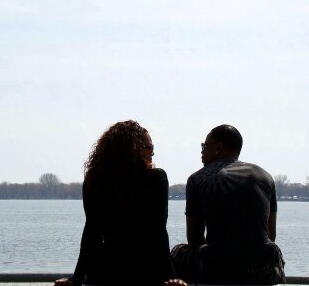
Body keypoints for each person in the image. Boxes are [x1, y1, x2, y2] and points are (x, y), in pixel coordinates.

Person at [54, 120, 186, 286]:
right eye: (149, 147)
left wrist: (77, 278)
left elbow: (91, 232)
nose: (152, 153)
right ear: (135, 149)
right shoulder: (155, 178)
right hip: (144, 269)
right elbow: (157, 231)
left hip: (104, 270)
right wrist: (170, 275)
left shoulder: (94, 179)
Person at [171, 124, 285, 285]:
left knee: (177, 252)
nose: (202, 152)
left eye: (204, 146)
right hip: (264, 267)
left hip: (219, 269)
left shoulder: (197, 179)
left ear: (218, 148)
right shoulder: (265, 176)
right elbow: (270, 235)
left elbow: (195, 240)